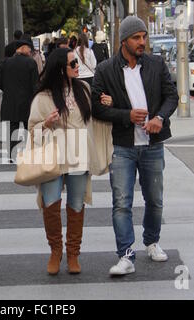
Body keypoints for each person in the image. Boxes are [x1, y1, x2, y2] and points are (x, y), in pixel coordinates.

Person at [91, 16, 179, 276]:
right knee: (121, 202)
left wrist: (159, 118)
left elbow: (171, 95)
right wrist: (125, 115)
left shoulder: (156, 63)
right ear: (124, 41)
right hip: (122, 146)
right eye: (136, 38)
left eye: (144, 37)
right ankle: (126, 255)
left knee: (155, 200)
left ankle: (151, 241)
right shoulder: (106, 69)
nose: (142, 42)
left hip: (152, 145)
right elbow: (96, 106)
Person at [28, 48, 112, 276]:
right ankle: (56, 251)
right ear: (59, 69)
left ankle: (73, 253)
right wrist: (45, 123)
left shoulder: (83, 89)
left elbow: (95, 118)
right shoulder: (42, 97)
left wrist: (106, 103)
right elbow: (32, 129)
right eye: (73, 63)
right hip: (52, 156)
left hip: (78, 156)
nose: (77, 65)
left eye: (76, 62)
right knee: (51, 203)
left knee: (76, 204)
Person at [0, 39, 39, 161]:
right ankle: (29, 152)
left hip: (10, 100)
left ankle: (11, 154)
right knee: (28, 127)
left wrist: (8, 90)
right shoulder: (31, 63)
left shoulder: (6, 62)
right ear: (23, 48)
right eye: (29, 48)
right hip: (27, 101)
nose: (30, 51)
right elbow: (35, 84)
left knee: (12, 128)